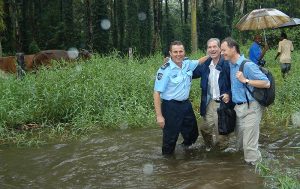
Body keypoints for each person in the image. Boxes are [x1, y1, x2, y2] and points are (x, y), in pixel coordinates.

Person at [220, 37, 270, 165]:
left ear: (233, 48)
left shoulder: (247, 65)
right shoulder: (230, 65)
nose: (222, 53)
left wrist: (246, 80)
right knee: (241, 144)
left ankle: (254, 174)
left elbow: (266, 83)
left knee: (249, 147)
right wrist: (229, 95)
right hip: (238, 108)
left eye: (224, 50)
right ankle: (246, 169)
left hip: (252, 108)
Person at [153, 40, 202, 155]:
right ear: (170, 53)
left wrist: (212, 54)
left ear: (184, 52)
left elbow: (200, 61)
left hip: (185, 105)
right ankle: (168, 164)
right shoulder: (165, 70)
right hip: (171, 107)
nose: (178, 54)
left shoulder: (187, 63)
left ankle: (186, 152)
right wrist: (159, 116)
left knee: (193, 134)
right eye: (175, 52)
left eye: (181, 51)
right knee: (170, 138)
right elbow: (156, 93)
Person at [192, 38, 232, 151]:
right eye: (209, 47)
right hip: (210, 102)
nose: (212, 49)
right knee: (204, 129)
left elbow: (236, 83)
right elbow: (191, 73)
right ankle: (209, 148)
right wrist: (176, 64)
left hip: (224, 104)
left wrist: (229, 94)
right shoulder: (205, 64)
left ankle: (221, 155)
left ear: (220, 49)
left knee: (222, 135)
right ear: (207, 49)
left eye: (215, 47)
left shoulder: (227, 64)